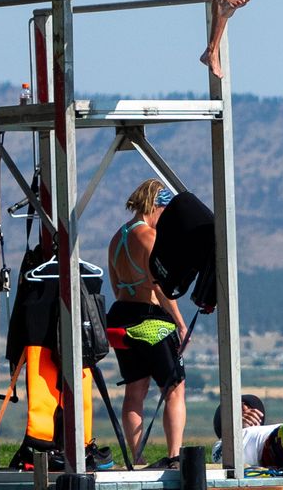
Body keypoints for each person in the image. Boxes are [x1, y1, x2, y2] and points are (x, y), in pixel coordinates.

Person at [106, 179, 187, 469]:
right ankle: (175, 455)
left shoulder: (116, 239)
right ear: (155, 206)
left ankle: (137, 457)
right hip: (150, 319)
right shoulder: (149, 237)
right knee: (174, 388)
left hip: (120, 317)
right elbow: (160, 287)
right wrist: (180, 323)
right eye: (164, 212)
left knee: (135, 391)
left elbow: (115, 285)